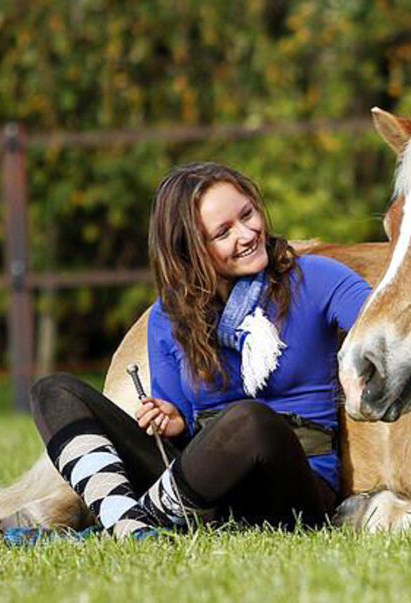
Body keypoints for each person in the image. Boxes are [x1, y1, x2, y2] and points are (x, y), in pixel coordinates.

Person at [28, 162, 372, 538]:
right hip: (197, 483)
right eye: (223, 232)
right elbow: (181, 431)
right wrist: (173, 422)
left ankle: (130, 522)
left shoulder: (318, 278)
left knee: (250, 421)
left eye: (248, 214)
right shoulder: (170, 316)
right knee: (53, 391)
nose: (247, 234)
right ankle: (132, 525)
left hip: (292, 485)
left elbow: (384, 324)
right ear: (190, 250)